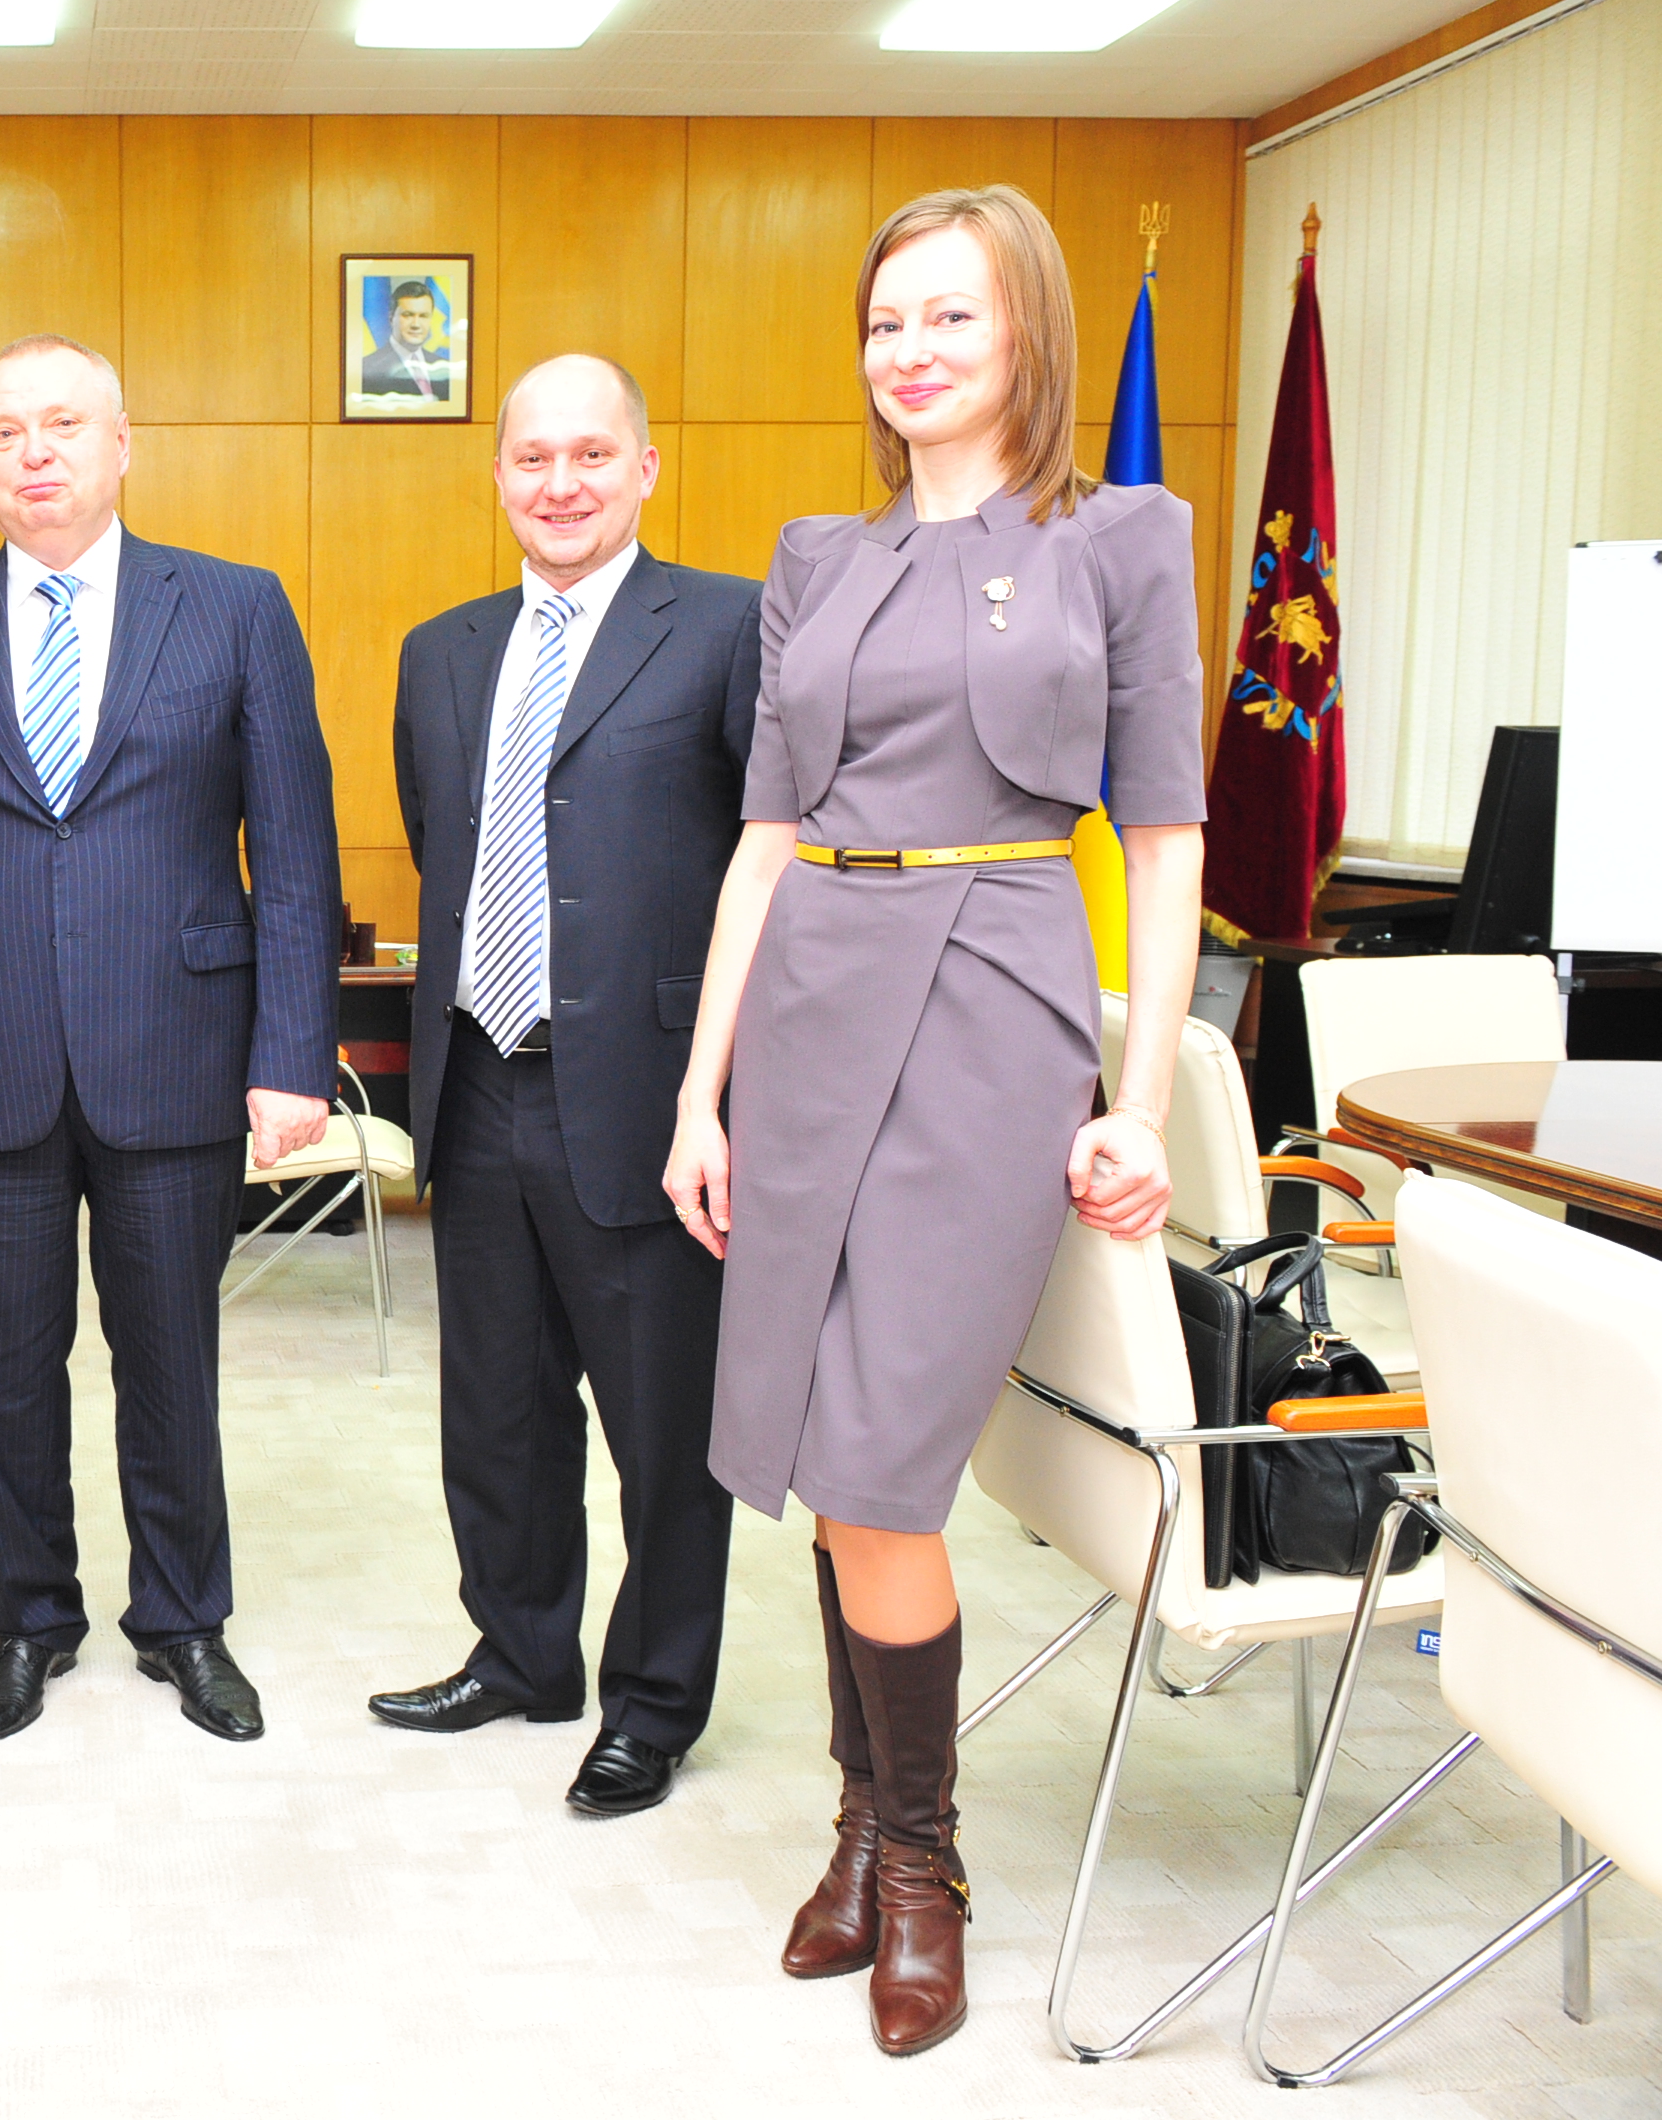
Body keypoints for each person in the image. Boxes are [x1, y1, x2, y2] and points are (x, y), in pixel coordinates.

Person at [663, 184, 1203, 2058]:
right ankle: (861, 1828)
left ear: (1026, 330)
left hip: (991, 986)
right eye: (886, 320)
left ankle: (920, 1870)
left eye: (951, 315)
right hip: (814, 984)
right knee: (822, 1459)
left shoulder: (1121, 538)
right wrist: (699, 1092)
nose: (910, 350)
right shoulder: (816, 555)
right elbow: (758, 841)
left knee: (885, 1460)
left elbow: (1162, 836)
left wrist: (1139, 1102)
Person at [0, 334, 342, 1747]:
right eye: (5, 431)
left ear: (124, 444)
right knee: (0, 1366)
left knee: (169, 1359)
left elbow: (295, 854)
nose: (35, 452)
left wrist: (291, 1052)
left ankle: (183, 1619)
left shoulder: (233, 608)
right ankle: (28, 1616)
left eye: (64, 424)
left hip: (174, 1051)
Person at [372, 355, 758, 1823]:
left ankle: (651, 1703)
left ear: (646, 467)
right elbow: (444, 840)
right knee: (498, 1409)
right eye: (532, 457)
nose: (561, 482)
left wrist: (721, 1094)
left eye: (593, 454)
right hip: (478, 1079)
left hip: (651, 1095)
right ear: (497, 477)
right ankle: (522, 1654)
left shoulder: (726, 626)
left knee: (662, 1430)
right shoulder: (442, 650)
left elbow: (770, 862)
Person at [359, 280, 450, 400]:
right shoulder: (366, 369)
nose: (416, 324)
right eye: (408, 315)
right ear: (391, 318)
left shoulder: (446, 369)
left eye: (423, 316)